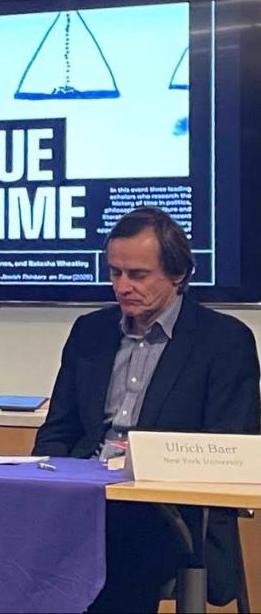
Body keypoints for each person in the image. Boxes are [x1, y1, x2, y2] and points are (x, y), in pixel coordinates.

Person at [34, 206, 260, 612]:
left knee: (117, 543)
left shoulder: (225, 342)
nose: (122, 286)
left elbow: (232, 448)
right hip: (85, 497)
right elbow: (58, 431)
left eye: (137, 275)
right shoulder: (90, 332)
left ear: (177, 275)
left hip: (170, 513)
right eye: (114, 273)